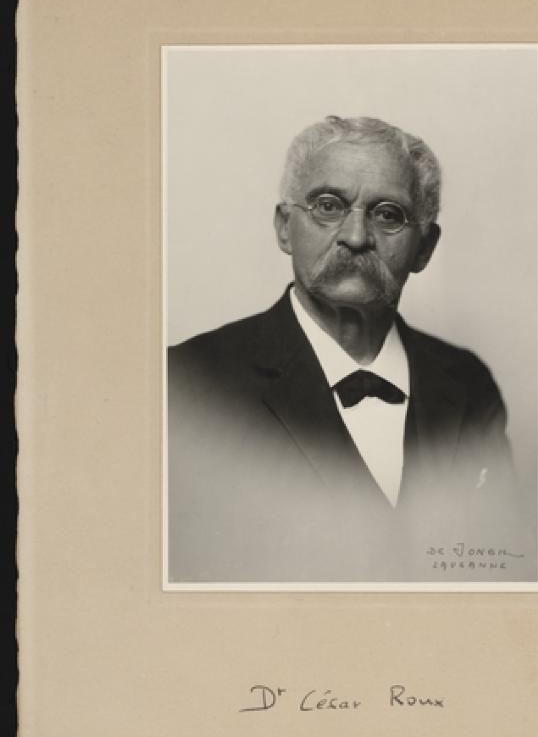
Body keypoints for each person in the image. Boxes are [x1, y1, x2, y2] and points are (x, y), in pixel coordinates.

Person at [168, 115, 520, 584]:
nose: (356, 237)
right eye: (329, 206)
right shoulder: (188, 383)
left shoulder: (468, 383)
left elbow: (497, 566)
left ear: (424, 249)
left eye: (388, 214)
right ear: (284, 228)